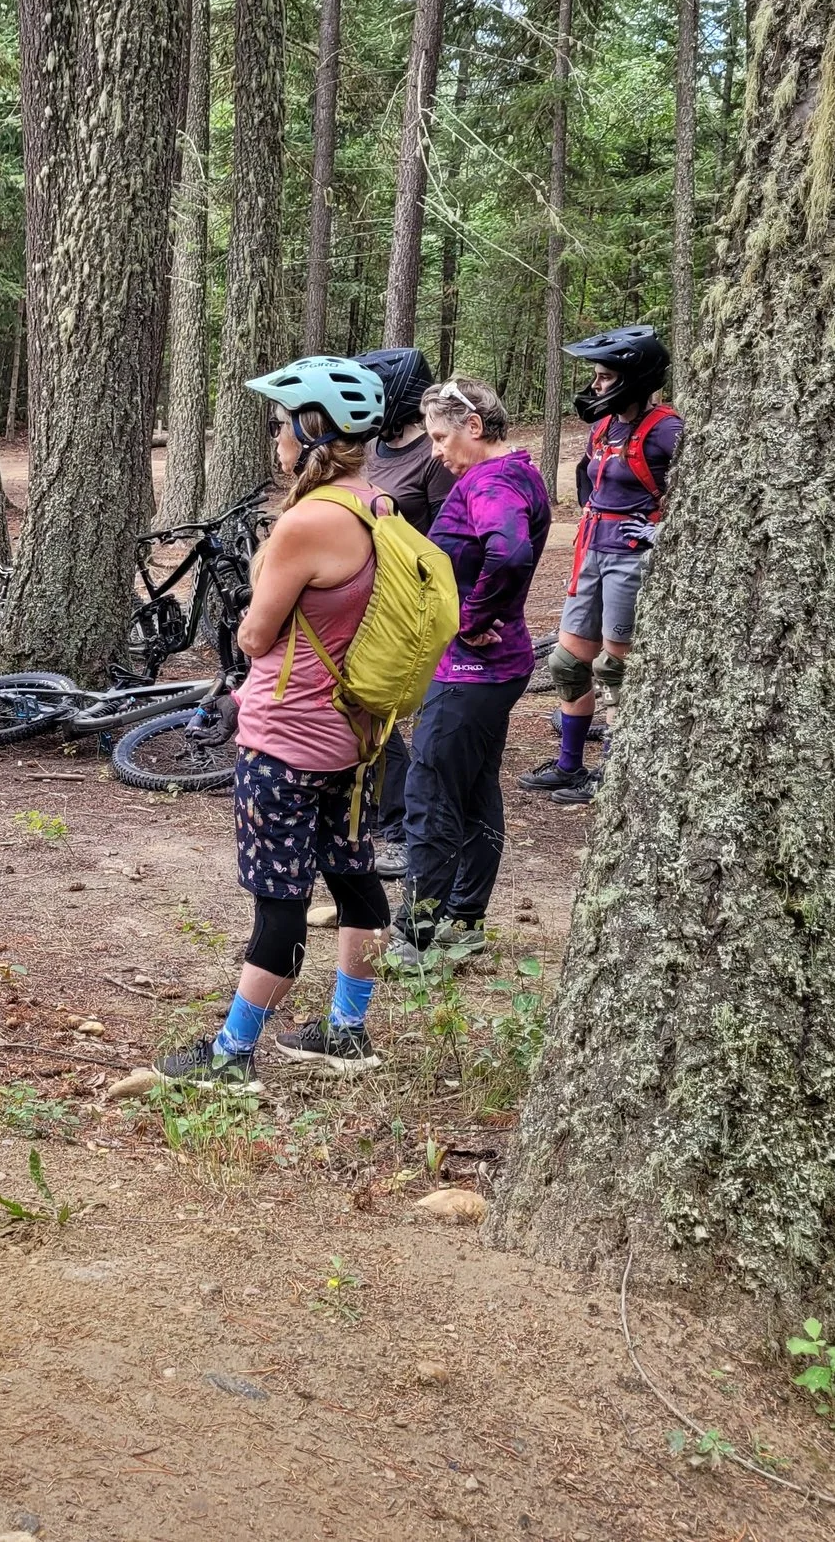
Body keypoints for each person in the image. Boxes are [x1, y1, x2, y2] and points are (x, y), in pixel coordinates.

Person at [158, 356, 394, 1086]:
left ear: (310, 428)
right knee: (355, 881)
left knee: (280, 903)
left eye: (282, 425)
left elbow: (256, 638)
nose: (277, 439)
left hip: (286, 740)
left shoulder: (307, 522)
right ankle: (347, 1031)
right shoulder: (380, 507)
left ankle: (232, 1056)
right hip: (354, 738)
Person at [387, 378, 552, 966]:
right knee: (475, 788)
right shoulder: (520, 472)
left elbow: (507, 552)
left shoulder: (493, 480)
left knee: (430, 790)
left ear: (474, 428)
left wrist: (472, 616)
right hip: (490, 668)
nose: (434, 450)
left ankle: (418, 934)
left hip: (471, 669)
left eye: (439, 436)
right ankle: (464, 919)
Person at [519, 324, 682, 807]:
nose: (596, 386)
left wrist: (662, 532)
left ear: (633, 378)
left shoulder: (668, 430)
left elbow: (704, 492)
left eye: (605, 377)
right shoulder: (602, 427)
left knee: (617, 669)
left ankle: (614, 772)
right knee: (568, 663)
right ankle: (570, 764)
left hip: (631, 559)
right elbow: (590, 482)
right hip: (591, 549)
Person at [355, 346, 457, 877]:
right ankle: (371, 808)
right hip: (361, 593)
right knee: (363, 707)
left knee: (386, 710)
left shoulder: (430, 458)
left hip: (406, 600)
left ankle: (395, 824)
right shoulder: (375, 446)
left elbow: (446, 541)